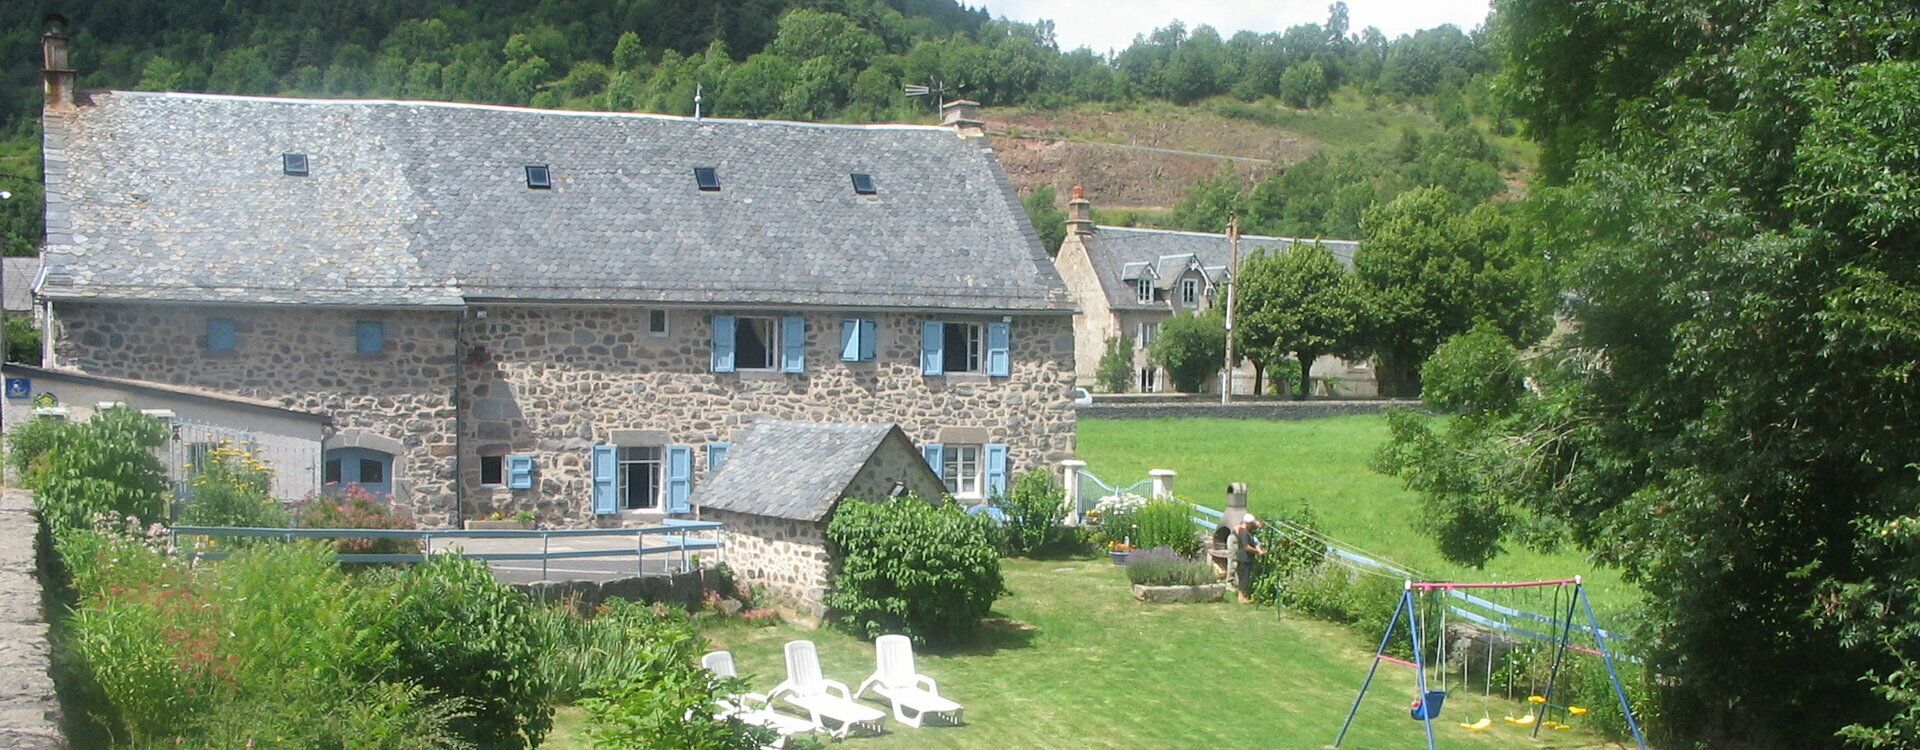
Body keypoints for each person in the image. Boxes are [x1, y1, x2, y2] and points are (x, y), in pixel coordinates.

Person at [1234, 514, 1267, 603]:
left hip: (1245, 558)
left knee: (1245, 577)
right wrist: (1257, 552)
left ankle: (1243, 596)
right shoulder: (1244, 533)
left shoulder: (1246, 531)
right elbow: (1246, 547)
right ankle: (1241, 598)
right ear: (1247, 523)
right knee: (1244, 578)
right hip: (1244, 558)